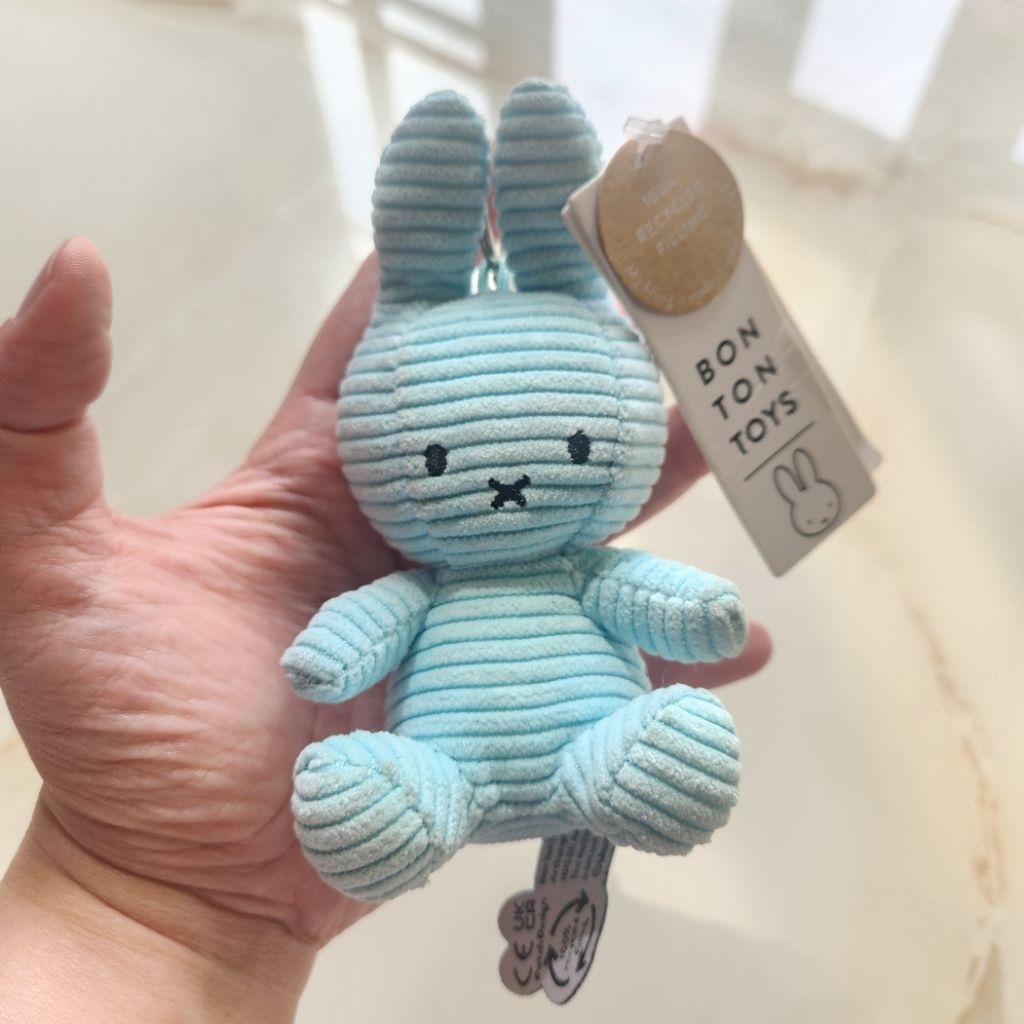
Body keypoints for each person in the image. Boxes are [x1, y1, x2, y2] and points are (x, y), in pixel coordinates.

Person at [0, 238, 771, 1022]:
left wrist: (700, 615)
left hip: (592, 747)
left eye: (576, 446)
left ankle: (636, 763)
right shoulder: (427, 590)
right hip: (451, 770)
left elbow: (671, 603)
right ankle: (404, 802)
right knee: (385, 794)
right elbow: (356, 636)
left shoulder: (583, 575)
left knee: (663, 740)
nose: (505, 481)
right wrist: (328, 658)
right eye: (434, 459)